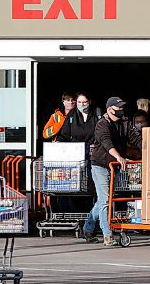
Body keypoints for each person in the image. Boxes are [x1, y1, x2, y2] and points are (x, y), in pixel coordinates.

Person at [83, 97, 142, 246]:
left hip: (114, 165)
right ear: (110, 109)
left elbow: (135, 138)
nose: (121, 110)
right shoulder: (102, 124)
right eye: (118, 108)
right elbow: (106, 141)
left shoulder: (125, 122)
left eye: (122, 107)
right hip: (100, 165)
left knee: (104, 200)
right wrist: (119, 157)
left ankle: (88, 227)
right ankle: (107, 235)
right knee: (106, 199)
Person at [56, 91, 101, 212]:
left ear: (90, 102)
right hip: (75, 156)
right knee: (75, 184)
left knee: (92, 185)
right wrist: (59, 144)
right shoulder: (72, 115)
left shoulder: (97, 114)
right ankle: (76, 212)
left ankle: (91, 212)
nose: (82, 104)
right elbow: (64, 134)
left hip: (93, 155)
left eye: (85, 102)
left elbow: (102, 134)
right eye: (79, 102)